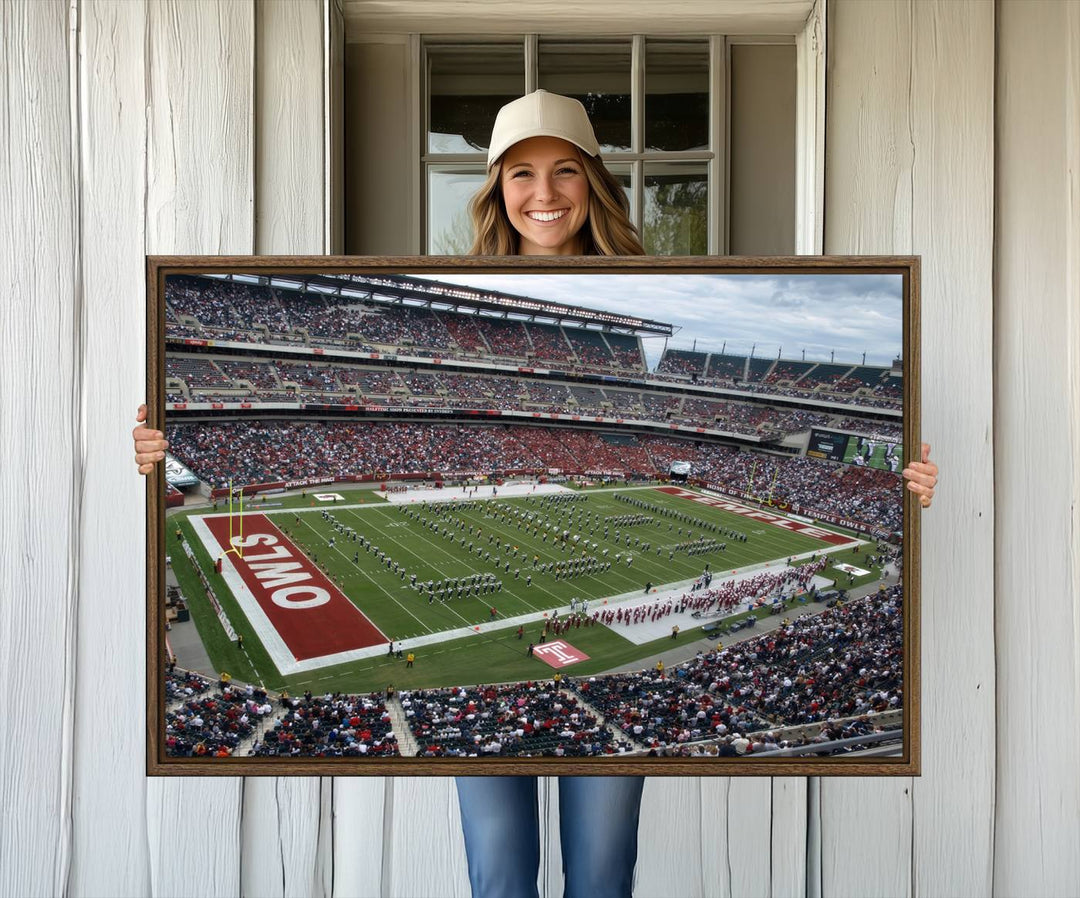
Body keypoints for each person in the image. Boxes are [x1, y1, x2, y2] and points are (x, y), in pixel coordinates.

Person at [130, 88, 939, 898]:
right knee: (500, 875)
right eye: (521, 174)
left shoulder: (649, 293)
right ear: (495, 189)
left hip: (596, 644)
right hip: (511, 621)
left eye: (563, 172)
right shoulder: (447, 276)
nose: (543, 194)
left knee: (600, 874)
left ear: (594, 181)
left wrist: (905, 480)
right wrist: (156, 447)